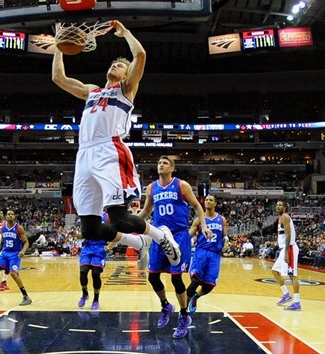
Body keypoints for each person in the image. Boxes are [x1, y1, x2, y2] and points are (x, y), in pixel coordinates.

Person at [51, 20, 181, 268]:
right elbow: (58, 77)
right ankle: (138, 243)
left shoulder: (126, 89)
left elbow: (140, 54)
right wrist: (59, 45)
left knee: (119, 219)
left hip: (110, 150)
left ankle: (161, 236)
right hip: (84, 155)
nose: (114, 65)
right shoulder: (92, 90)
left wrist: (126, 33)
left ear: (126, 73)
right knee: (89, 229)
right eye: (113, 63)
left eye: (120, 65)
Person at [138, 156, 209, 339]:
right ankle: (165, 306)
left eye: (165, 163)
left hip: (178, 236)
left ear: (172, 168)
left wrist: (204, 226)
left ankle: (184, 316)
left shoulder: (181, 185)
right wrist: (132, 223)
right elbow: (146, 211)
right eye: (159, 163)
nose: (160, 165)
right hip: (159, 235)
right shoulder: (151, 188)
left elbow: (198, 207)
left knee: (177, 279)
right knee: (153, 277)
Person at [187, 195, 227, 317]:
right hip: (201, 252)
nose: (208, 202)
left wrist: (226, 243)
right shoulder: (199, 219)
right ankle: (183, 311)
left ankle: (196, 297)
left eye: (211, 200)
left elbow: (225, 236)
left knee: (209, 286)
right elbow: (189, 234)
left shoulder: (222, 219)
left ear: (215, 203)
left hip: (215, 255)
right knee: (195, 281)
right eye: (207, 200)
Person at [0, 210, 32, 306]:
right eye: (8, 214)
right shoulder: (3, 228)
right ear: (6, 216)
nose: (10, 215)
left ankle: (26, 296)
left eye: (12, 214)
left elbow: (26, 242)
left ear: (14, 216)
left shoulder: (19, 228)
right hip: (5, 252)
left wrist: (23, 251)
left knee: (13, 273)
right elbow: (2, 242)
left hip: (15, 253)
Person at [272, 200, 302, 311]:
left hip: (290, 249)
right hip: (284, 248)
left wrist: (286, 253)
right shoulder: (280, 218)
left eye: (280, 205)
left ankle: (297, 302)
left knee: (292, 276)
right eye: (277, 205)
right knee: (275, 271)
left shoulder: (285, 217)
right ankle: (286, 294)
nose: (277, 206)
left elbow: (288, 235)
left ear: (284, 207)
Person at [77, 211, 110, 310]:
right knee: (83, 271)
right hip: (87, 247)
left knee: (95, 274)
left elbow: (115, 232)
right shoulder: (88, 215)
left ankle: (96, 300)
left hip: (100, 248)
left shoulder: (107, 217)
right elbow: (83, 234)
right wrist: (79, 235)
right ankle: (85, 294)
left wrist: (110, 246)